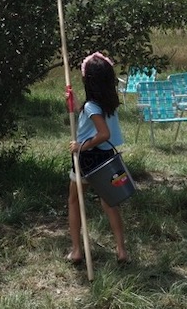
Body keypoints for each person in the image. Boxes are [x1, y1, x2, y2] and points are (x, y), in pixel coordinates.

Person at [67, 51, 129, 265]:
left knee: (74, 201)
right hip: (107, 158)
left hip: (88, 158)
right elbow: (90, 121)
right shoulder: (109, 103)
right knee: (110, 203)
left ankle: (76, 250)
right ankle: (121, 250)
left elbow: (103, 134)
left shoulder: (92, 106)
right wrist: (73, 104)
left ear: (88, 80)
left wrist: (80, 146)